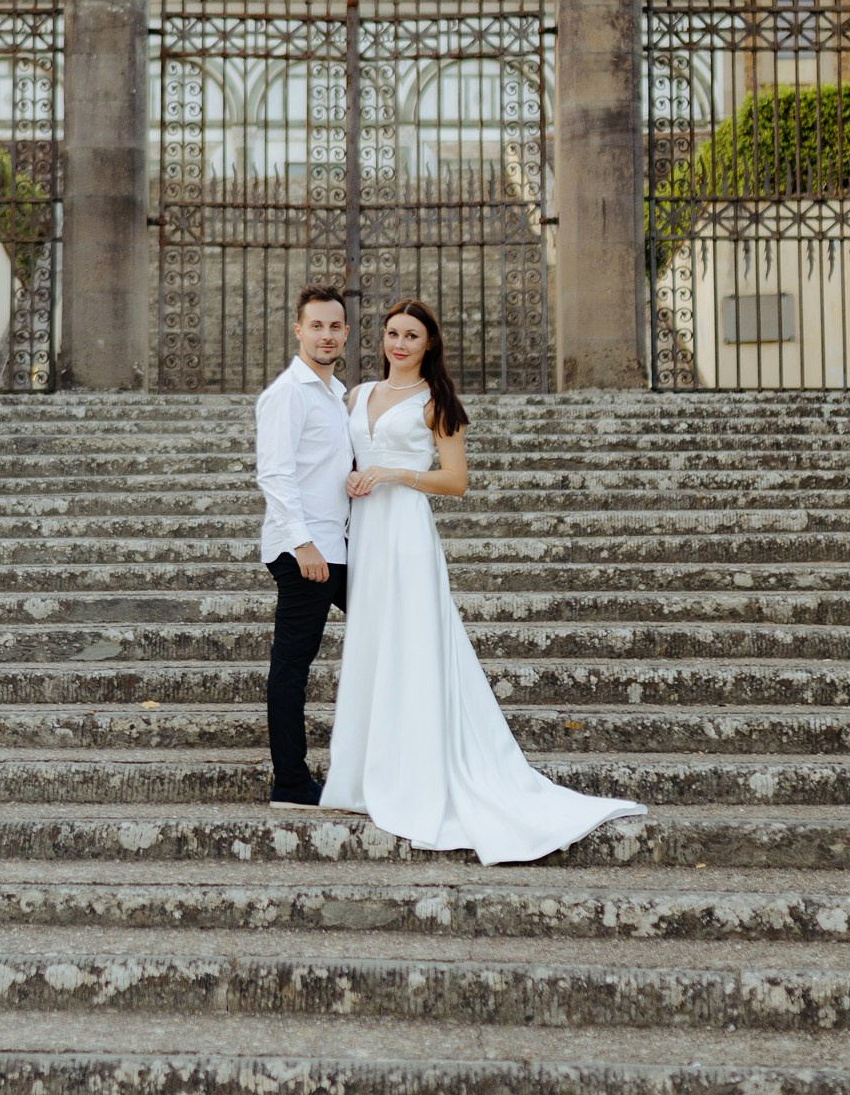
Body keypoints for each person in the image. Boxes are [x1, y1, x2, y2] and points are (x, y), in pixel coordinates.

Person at [322, 299, 646, 863]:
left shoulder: (437, 402)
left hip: (406, 533)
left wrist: (393, 473)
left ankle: (417, 777)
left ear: (428, 343)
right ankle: (361, 776)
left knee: (413, 648)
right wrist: (352, 478)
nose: (399, 343)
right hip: (365, 533)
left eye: (412, 335)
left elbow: (456, 481)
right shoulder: (358, 395)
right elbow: (343, 457)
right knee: (372, 645)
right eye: (393, 333)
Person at [253, 284, 354, 809]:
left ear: (346, 333)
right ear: (298, 330)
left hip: (337, 546)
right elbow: (274, 474)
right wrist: (303, 544)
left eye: (334, 326)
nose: (325, 335)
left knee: (389, 632)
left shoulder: (337, 394)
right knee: (293, 665)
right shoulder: (288, 393)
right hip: (306, 551)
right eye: (316, 326)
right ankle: (290, 782)